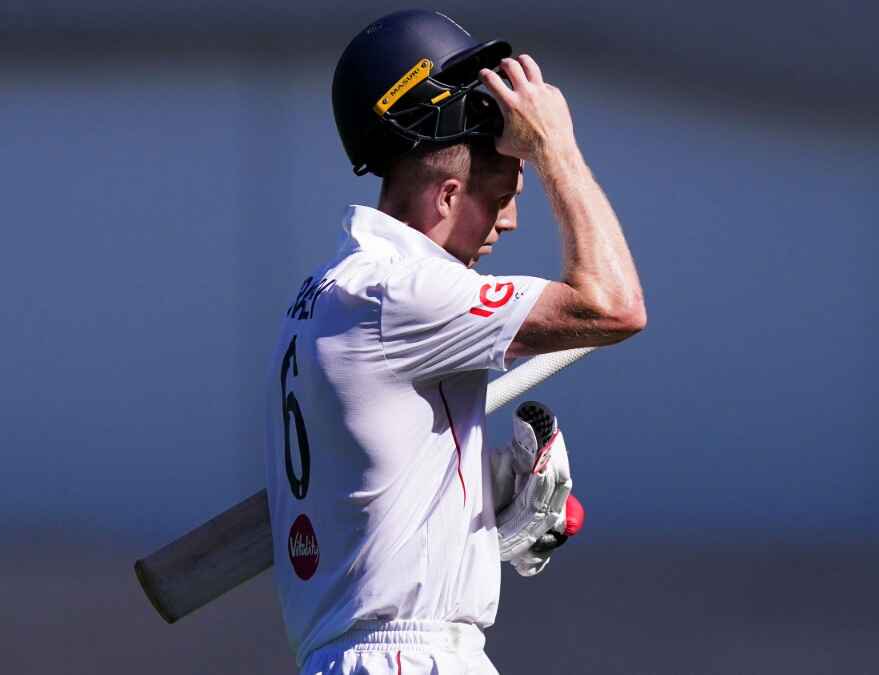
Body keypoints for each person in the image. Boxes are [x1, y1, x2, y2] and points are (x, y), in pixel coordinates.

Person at [265, 10, 645, 674]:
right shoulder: (398, 294)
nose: (514, 217)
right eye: (502, 193)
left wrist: (489, 508)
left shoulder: (336, 294)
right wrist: (557, 145)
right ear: (446, 196)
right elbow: (612, 305)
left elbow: (373, 505)